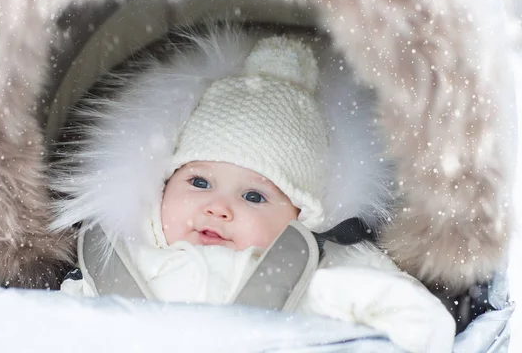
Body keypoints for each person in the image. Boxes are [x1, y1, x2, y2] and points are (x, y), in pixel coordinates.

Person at [57, 28, 455, 353]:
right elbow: (48, 328)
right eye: (198, 182)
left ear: (301, 216)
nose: (218, 207)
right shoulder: (119, 259)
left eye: (254, 196)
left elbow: (418, 318)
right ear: (161, 187)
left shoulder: (324, 274)